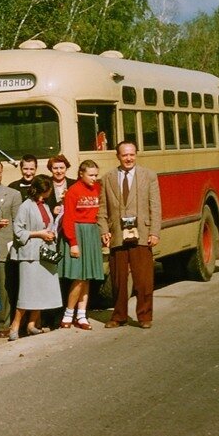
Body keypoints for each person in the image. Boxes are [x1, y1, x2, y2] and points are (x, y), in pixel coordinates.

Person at [98, 141, 162, 329]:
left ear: (136, 154)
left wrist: (155, 231)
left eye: (132, 154)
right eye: (124, 155)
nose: (128, 158)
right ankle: (119, 316)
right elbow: (102, 209)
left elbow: (155, 206)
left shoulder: (149, 176)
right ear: (117, 156)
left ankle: (144, 316)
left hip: (142, 232)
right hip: (117, 233)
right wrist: (104, 230)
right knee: (118, 279)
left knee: (143, 279)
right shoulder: (107, 178)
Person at [9, 175, 62, 340]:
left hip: (44, 252)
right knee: (28, 291)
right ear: (42, 190)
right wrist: (38, 234)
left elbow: (47, 225)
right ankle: (15, 325)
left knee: (42, 290)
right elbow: (18, 231)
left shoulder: (45, 205)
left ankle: (31, 324)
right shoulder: (26, 206)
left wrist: (50, 233)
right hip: (30, 254)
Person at [59, 160, 105, 330]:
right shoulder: (73, 191)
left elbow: (100, 212)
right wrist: (73, 243)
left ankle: (82, 315)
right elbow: (68, 218)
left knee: (87, 277)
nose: (94, 178)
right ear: (81, 174)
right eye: (91, 175)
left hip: (91, 233)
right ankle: (68, 313)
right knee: (78, 277)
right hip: (78, 233)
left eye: (95, 175)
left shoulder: (97, 189)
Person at [0, 160, 22, 337]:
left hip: (4, 247)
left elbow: (18, 223)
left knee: (4, 287)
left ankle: (3, 324)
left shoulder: (13, 194)